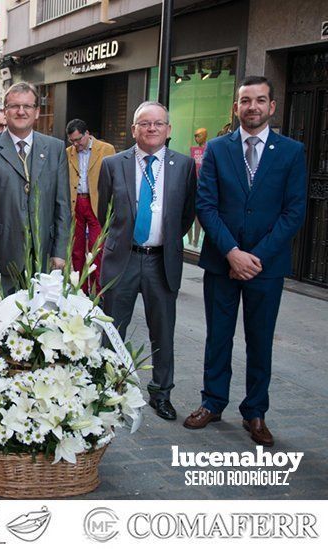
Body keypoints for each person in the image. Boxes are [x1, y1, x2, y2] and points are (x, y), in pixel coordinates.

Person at [183, 76, 307, 446]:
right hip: (223, 261)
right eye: (245, 100)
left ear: (272, 106)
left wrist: (257, 257)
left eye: (260, 100)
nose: (252, 106)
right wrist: (232, 253)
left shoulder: (291, 151)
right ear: (235, 107)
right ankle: (212, 401)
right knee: (218, 336)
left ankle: (255, 411)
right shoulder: (218, 149)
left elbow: (294, 210)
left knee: (260, 339)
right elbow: (206, 204)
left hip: (266, 267)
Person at [97, 101, 197, 421]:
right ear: (134, 129)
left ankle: (161, 393)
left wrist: (162, 240)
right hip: (122, 260)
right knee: (112, 330)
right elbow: (105, 214)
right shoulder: (113, 164)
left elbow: (186, 215)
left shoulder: (183, 166)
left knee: (163, 331)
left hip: (161, 261)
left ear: (169, 130)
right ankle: (109, 389)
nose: (151, 128)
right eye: (144, 123)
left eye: (158, 123)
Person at [0, 81, 71, 294]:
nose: (21, 111)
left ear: (37, 112)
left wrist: (60, 251)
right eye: (14, 106)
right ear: (5, 112)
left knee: (42, 322)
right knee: (1, 320)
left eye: (27, 106)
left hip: (44, 257)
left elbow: (62, 205)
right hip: (1, 256)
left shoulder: (55, 148)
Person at [65, 119, 116, 291]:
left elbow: (114, 179)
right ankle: (80, 290)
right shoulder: (68, 152)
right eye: (72, 141)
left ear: (87, 134)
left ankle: (97, 292)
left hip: (96, 202)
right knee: (76, 251)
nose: (76, 144)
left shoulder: (106, 149)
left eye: (78, 139)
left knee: (97, 249)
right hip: (75, 203)